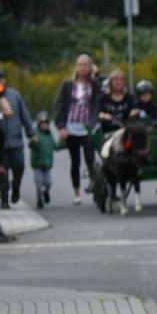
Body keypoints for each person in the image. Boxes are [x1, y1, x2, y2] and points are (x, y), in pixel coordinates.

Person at [53, 54, 99, 204]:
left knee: (90, 159)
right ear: (76, 67)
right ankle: (77, 192)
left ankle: (96, 185)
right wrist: (60, 126)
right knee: (75, 161)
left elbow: (107, 85)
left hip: (87, 127)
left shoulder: (94, 84)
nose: (82, 67)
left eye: (86, 65)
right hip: (71, 126)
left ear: (90, 67)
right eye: (80, 64)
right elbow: (59, 105)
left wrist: (97, 73)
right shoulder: (68, 85)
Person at [0, 67, 35, 208]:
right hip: (0, 142)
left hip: (16, 140)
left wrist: (31, 133)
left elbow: (25, 115)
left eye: (1, 78)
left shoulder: (15, 95)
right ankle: (4, 198)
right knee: (2, 171)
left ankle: (15, 188)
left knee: (19, 167)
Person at [30, 111, 58, 209]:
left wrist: (64, 143)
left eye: (46, 123)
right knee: (39, 182)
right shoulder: (35, 133)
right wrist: (33, 142)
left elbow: (55, 146)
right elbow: (30, 145)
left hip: (47, 164)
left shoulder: (49, 135)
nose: (44, 125)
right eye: (42, 123)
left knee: (48, 182)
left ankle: (46, 192)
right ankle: (39, 199)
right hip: (37, 163)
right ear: (39, 124)